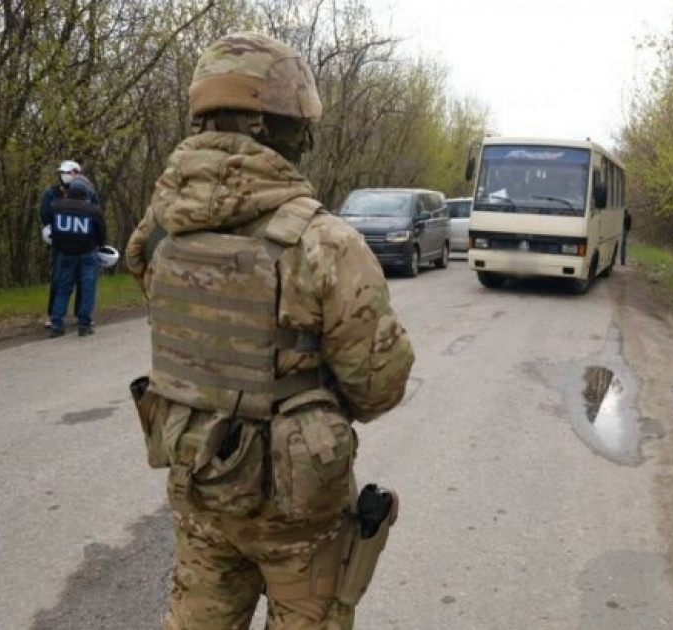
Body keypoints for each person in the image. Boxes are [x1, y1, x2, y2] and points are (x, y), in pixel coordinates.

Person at [125, 32, 414, 630]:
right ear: (264, 125)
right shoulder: (322, 242)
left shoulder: (157, 231)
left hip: (200, 482)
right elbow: (379, 385)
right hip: (298, 511)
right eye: (296, 121)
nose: (306, 136)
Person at [39, 160, 101, 329]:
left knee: (84, 282)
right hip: (62, 243)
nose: (65, 175)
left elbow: (97, 217)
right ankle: (54, 316)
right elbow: (45, 216)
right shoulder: (51, 193)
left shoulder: (90, 194)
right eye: (63, 172)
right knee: (59, 281)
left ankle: (82, 315)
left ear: (77, 173)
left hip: (86, 244)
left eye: (68, 172)